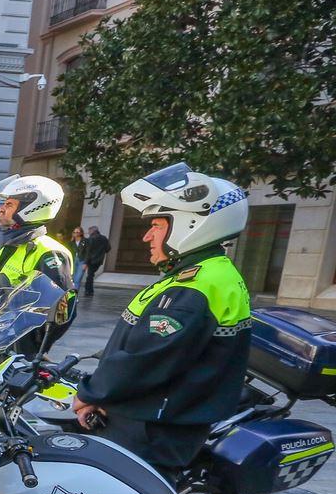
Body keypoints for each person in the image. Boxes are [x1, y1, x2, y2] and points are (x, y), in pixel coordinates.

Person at [72, 163, 252, 475]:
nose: (146, 236)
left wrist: (88, 393)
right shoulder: (203, 275)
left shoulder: (196, 286)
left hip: (152, 429)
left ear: (191, 224)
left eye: (156, 225)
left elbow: (145, 360)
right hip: (154, 420)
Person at [0, 174, 76, 350]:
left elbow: (63, 310)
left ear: (30, 208)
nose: (1, 209)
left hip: (17, 349)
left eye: (8, 204)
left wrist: (35, 348)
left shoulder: (49, 252)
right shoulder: (12, 246)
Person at [80, 225, 110, 297]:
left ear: (92, 231)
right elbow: (108, 248)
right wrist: (101, 253)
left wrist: (85, 262)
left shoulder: (91, 239)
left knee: (90, 276)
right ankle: (89, 291)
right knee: (91, 275)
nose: (89, 232)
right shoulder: (104, 238)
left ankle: (89, 291)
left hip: (91, 260)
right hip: (99, 260)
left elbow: (88, 251)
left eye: (89, 231)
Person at [69, 226, 87, 293]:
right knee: (72, 278)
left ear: (81, 233)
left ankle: (75, 294)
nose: (75, 233)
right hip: (73, 260)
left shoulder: (85, 241)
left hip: (81, 261)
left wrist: (86, 263)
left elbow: (88, 252)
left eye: (77, 232)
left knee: (77, 279)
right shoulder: (71, 242)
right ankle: (71, 293)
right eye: (74, 232)